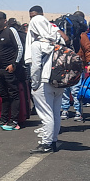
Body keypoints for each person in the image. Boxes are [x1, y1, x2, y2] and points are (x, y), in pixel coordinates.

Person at [25, 9, 65, 153]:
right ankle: (53, 140)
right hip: (60, 82)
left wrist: (34, 85)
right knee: (55, 113)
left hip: (44, 82)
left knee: (46, 114)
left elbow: (35, 68)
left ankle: (46, 144)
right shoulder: (58, 41)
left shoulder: (37, 44)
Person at [0, 11, 23, 131]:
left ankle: (14, 121)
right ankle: (3, 119)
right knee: (4, 95)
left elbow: (19, 48)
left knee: (13, 94)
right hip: (0, 69)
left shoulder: (11, 31)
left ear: (4, 21)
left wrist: (14, 64)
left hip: (10, 68)